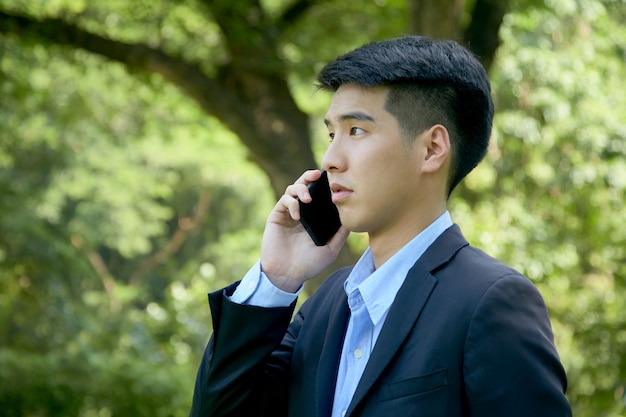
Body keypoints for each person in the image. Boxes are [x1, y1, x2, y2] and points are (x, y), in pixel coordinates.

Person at [189, 35, 572, 417]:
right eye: (331, 134)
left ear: (432, 149)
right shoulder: (321, 309)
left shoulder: (491, 302)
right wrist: (277, 278)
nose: (330, 159)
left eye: (356, 130)